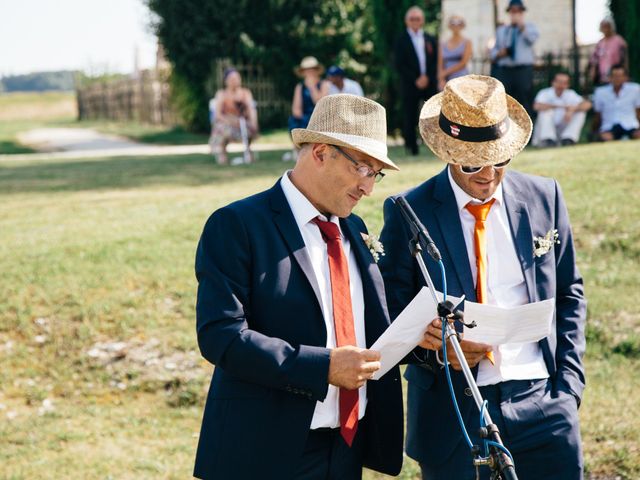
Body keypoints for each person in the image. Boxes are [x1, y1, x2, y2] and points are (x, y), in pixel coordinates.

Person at [379, 75, 586, 480]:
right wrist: (438, 350)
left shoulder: (546, 196)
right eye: (473, 162)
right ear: (448, 152)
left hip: (543, 401)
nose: (488, 174)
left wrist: (568, 388)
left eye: (500, 159)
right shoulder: (408, 211)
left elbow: (570, 292)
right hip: (453, 412)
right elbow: (388, 314)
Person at [193, 94, 405, 479]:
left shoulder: (355, 229)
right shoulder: (238, 225)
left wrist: (418, 337)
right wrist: (322, 367)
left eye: (376, 173)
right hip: (263, 452)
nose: (368, 188)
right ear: (321, 153)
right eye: (362, 168)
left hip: (344, 449)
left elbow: (365, 326)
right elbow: (220, 336)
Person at [395, 5, 438, 155]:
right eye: (412, 19)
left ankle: (435, 147)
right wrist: (416, 79)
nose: (415, 21)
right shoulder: (401, 40)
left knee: (433, 115)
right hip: (410, 84)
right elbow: (399, 64)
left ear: (422, 21)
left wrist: (427, 77)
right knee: (410, 115)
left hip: (429, 82)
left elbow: (434, 61)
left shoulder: (430, 38)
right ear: (407, 21)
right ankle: (411, 147)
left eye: (418, 19)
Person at [490, 0, 539, 116]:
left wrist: (522, 27)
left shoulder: (531, 27)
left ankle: (527, 129)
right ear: (509, 12)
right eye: (513, 11)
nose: (515, 13)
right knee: (503, 99)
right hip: (505, 70)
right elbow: (494, 49)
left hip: (522, 70)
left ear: (522, 12)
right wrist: (498, 54)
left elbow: (531, 40)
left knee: (524, 99)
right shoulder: (502, 30)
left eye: (518, 11)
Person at [209, 68, 258, 165]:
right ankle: (222, 153)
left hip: (242, 123)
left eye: (237, 78)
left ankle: (248, 152)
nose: (235, 81)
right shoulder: (221, 94)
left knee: (249, 126)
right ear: (226, 81)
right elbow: (217, 114)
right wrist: (231, 121)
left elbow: (251, 110)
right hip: (227, 122)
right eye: (232, 79)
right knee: (221, 127)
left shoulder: (245, 93)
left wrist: (253, 122)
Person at [533, 72, 591, 147]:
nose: (561, 85)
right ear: (553, 82)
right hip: (546, 130)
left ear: (568, 85)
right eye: (559, 82)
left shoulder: (571, 94)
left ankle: (568, 139)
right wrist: (559, 106)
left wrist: (572, 109)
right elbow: (536, 106)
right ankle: (548, 140)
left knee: (580, 113)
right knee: (545, 112)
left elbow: (587, 105)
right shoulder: (544, 93)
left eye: (564, 83)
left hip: (563, 128)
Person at [592, 65, 640, 141]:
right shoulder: (600, 92)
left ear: (626, 77)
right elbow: (598, 115)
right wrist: (595, 130)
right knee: (606, 138)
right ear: (609, 77)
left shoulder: (635, 89)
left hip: (630, 125)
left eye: (620, 76)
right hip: (609, 126)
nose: (617, 79)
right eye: (614, 76)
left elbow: (638, 111)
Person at [288, 56, 331, 132]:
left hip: (320, 118)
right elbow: (296, 109)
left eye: (312, 69)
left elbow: (320, 104)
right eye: (307, 70)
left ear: (317, 70)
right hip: (305, 119)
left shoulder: (324, 84)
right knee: (293, 120)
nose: (309, 72)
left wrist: (312, 87)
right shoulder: (300, 86)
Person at [589, 18, 628, 86]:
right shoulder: (600, 43)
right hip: (602, 76)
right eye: (603, 27)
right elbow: (595, 59)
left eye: (607, 27)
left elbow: (624, 58)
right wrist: (593, 71)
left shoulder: (619, 41)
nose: (605, 29)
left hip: (616, 74)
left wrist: (625, 72)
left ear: (611, 27)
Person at [437, 15, 473, 91]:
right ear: (449, 25)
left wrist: (444, 73)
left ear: (463, 25)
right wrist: (441, 79)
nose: (456, 26)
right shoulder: (443, 44)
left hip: (461, 79)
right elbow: (440, 63)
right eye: (453, 23)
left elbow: (463, 62)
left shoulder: (467, 42)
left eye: (459, 23)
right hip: (446, 80)